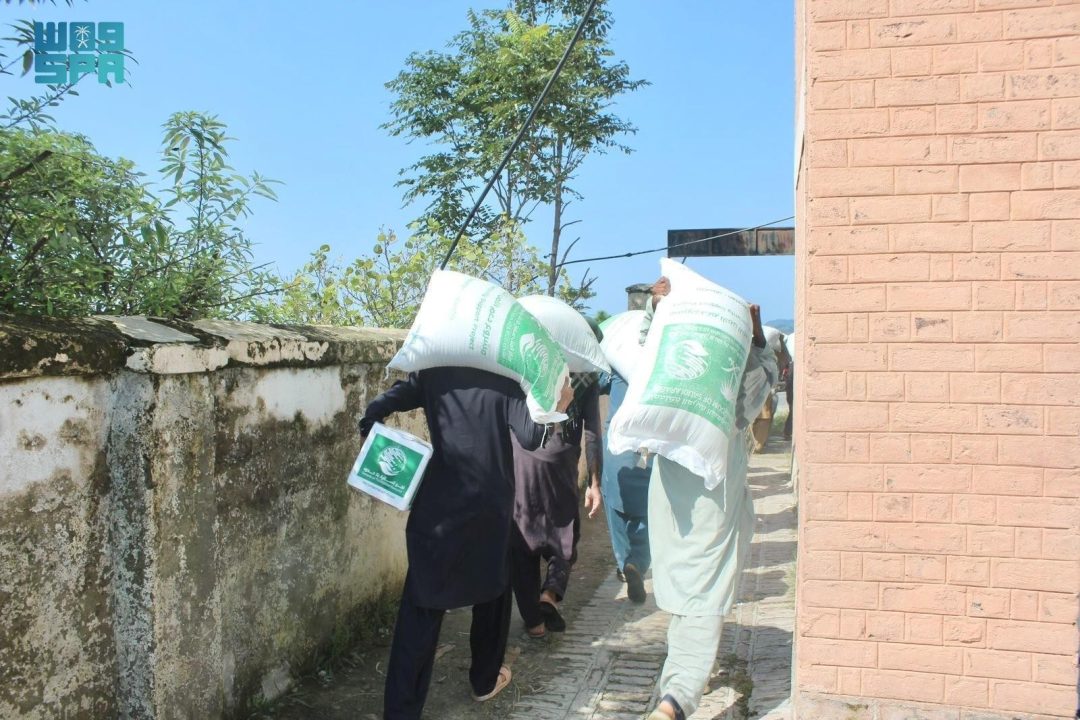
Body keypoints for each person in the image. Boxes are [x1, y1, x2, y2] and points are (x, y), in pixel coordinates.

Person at [358, 367, 573, 720]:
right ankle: (484, 680)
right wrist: (557, 405)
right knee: (494, 593)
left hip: (437, 508)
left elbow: (378, 407)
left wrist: (372, 434)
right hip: (490, 509)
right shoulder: (508, 381)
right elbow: (532, 437)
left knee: (421, 607)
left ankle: (401, 711)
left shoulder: (430, 375)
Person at [640, 283, 778, 720]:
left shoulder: (671, 387)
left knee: (686, 585)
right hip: (713, 494)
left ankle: (678, 678)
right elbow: (765, 380)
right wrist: (755, 337)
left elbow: (647, 351)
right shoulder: (730, 395)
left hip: (670, 492)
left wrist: (654, 307)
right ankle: (676, 700)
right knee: (707, 587)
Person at [510, 371, 603, 639]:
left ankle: (533, 622)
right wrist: (594, 483)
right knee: (565, 535)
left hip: (522, 457)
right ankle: (550, 593)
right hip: (562, 459)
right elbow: (593, 433)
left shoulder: (524, 364)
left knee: (521, 537)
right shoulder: (586, 376)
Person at [599, 369, 652, 604]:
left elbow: (597, 381)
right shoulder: (660, 363)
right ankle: (637, 563)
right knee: (647, 511)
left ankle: (623, 563)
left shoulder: (619, 359)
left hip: (616, 442)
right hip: (648, 443)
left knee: (615, 504)